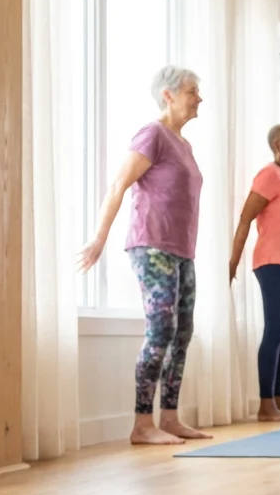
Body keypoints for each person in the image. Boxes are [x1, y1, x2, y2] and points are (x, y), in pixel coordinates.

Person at [76, 65, 211, 445]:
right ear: (168, 95)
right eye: (191, 90)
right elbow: (119, 185)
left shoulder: (183, 144)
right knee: (160, 332)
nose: (199, 97)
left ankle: (169, 417)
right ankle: (141, 424)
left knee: (182, 333)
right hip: (151, 246)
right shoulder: (152, 134)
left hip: (183, 250)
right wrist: (99, 240)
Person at [229, 125, 280, 423]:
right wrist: (232, 263)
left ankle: (279, 400)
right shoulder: (268, 175)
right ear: (277, 145)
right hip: (273, 262)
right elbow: (244, 220)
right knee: (275, 331)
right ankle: (266, 405)